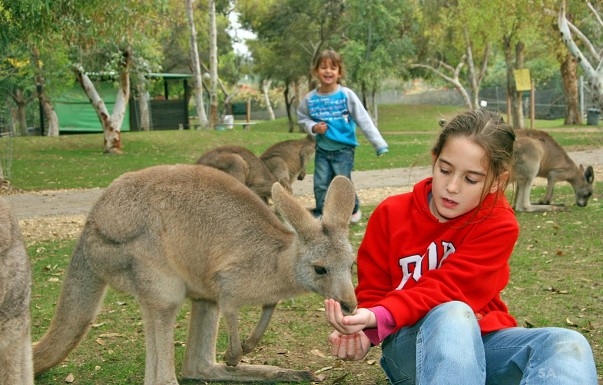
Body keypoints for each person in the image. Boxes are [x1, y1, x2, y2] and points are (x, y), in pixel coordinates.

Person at [325, 109, 598, 384]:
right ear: (434, 160)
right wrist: (365, 330)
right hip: (412, 348)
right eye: (445, 170)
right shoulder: (389, 213)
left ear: (497, 182)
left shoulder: (499, 223)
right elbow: (374, 292)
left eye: (471, 179)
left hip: (486, 342)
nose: (452, 186)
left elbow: (450, 287)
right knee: (452, 314)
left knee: (566, 343)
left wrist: (376, 316)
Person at [297, 49, 388, 223]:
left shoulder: (346, 95)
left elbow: (363, 119)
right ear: (316, 71)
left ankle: (353, 209)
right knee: (321, 182)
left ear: (339, 72)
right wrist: (313, 127)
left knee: (342, 181)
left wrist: (379, 144)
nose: (328, 71)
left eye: (333, 67)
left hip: (344, 150)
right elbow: (302, 118)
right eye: (323, 67)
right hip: (323, 149)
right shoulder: (310, 99)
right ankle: (322, 212)